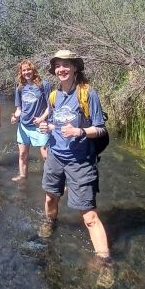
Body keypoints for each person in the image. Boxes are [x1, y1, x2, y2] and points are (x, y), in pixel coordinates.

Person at [39, 50, 110, 261]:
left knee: (88, 216)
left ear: (75, 68)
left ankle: (104, 261)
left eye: (66, 65)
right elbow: (57, 124)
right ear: (54, 70)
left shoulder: (88, 94)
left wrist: (79, 131)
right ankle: (50, 222)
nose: (61, 69)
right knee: (50, 197)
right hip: (55, 156)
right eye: (58, 65)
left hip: (80, 161)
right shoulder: (53, 95)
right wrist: (47, 127)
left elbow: (100, 129)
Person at [11, 59, 51, 182]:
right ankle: (22, 176)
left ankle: (53, 180)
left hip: (40, 126)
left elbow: (51, 106)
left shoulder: (43, 85)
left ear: (33, 70)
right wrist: (15, 117)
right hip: (23, 126)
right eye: (24, 70)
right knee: (22, 155)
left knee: (46, 156)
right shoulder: (20, 88)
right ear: (21, 72)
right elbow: (19, 109)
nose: (27, 72)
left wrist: (42, 118)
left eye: (29, 69)